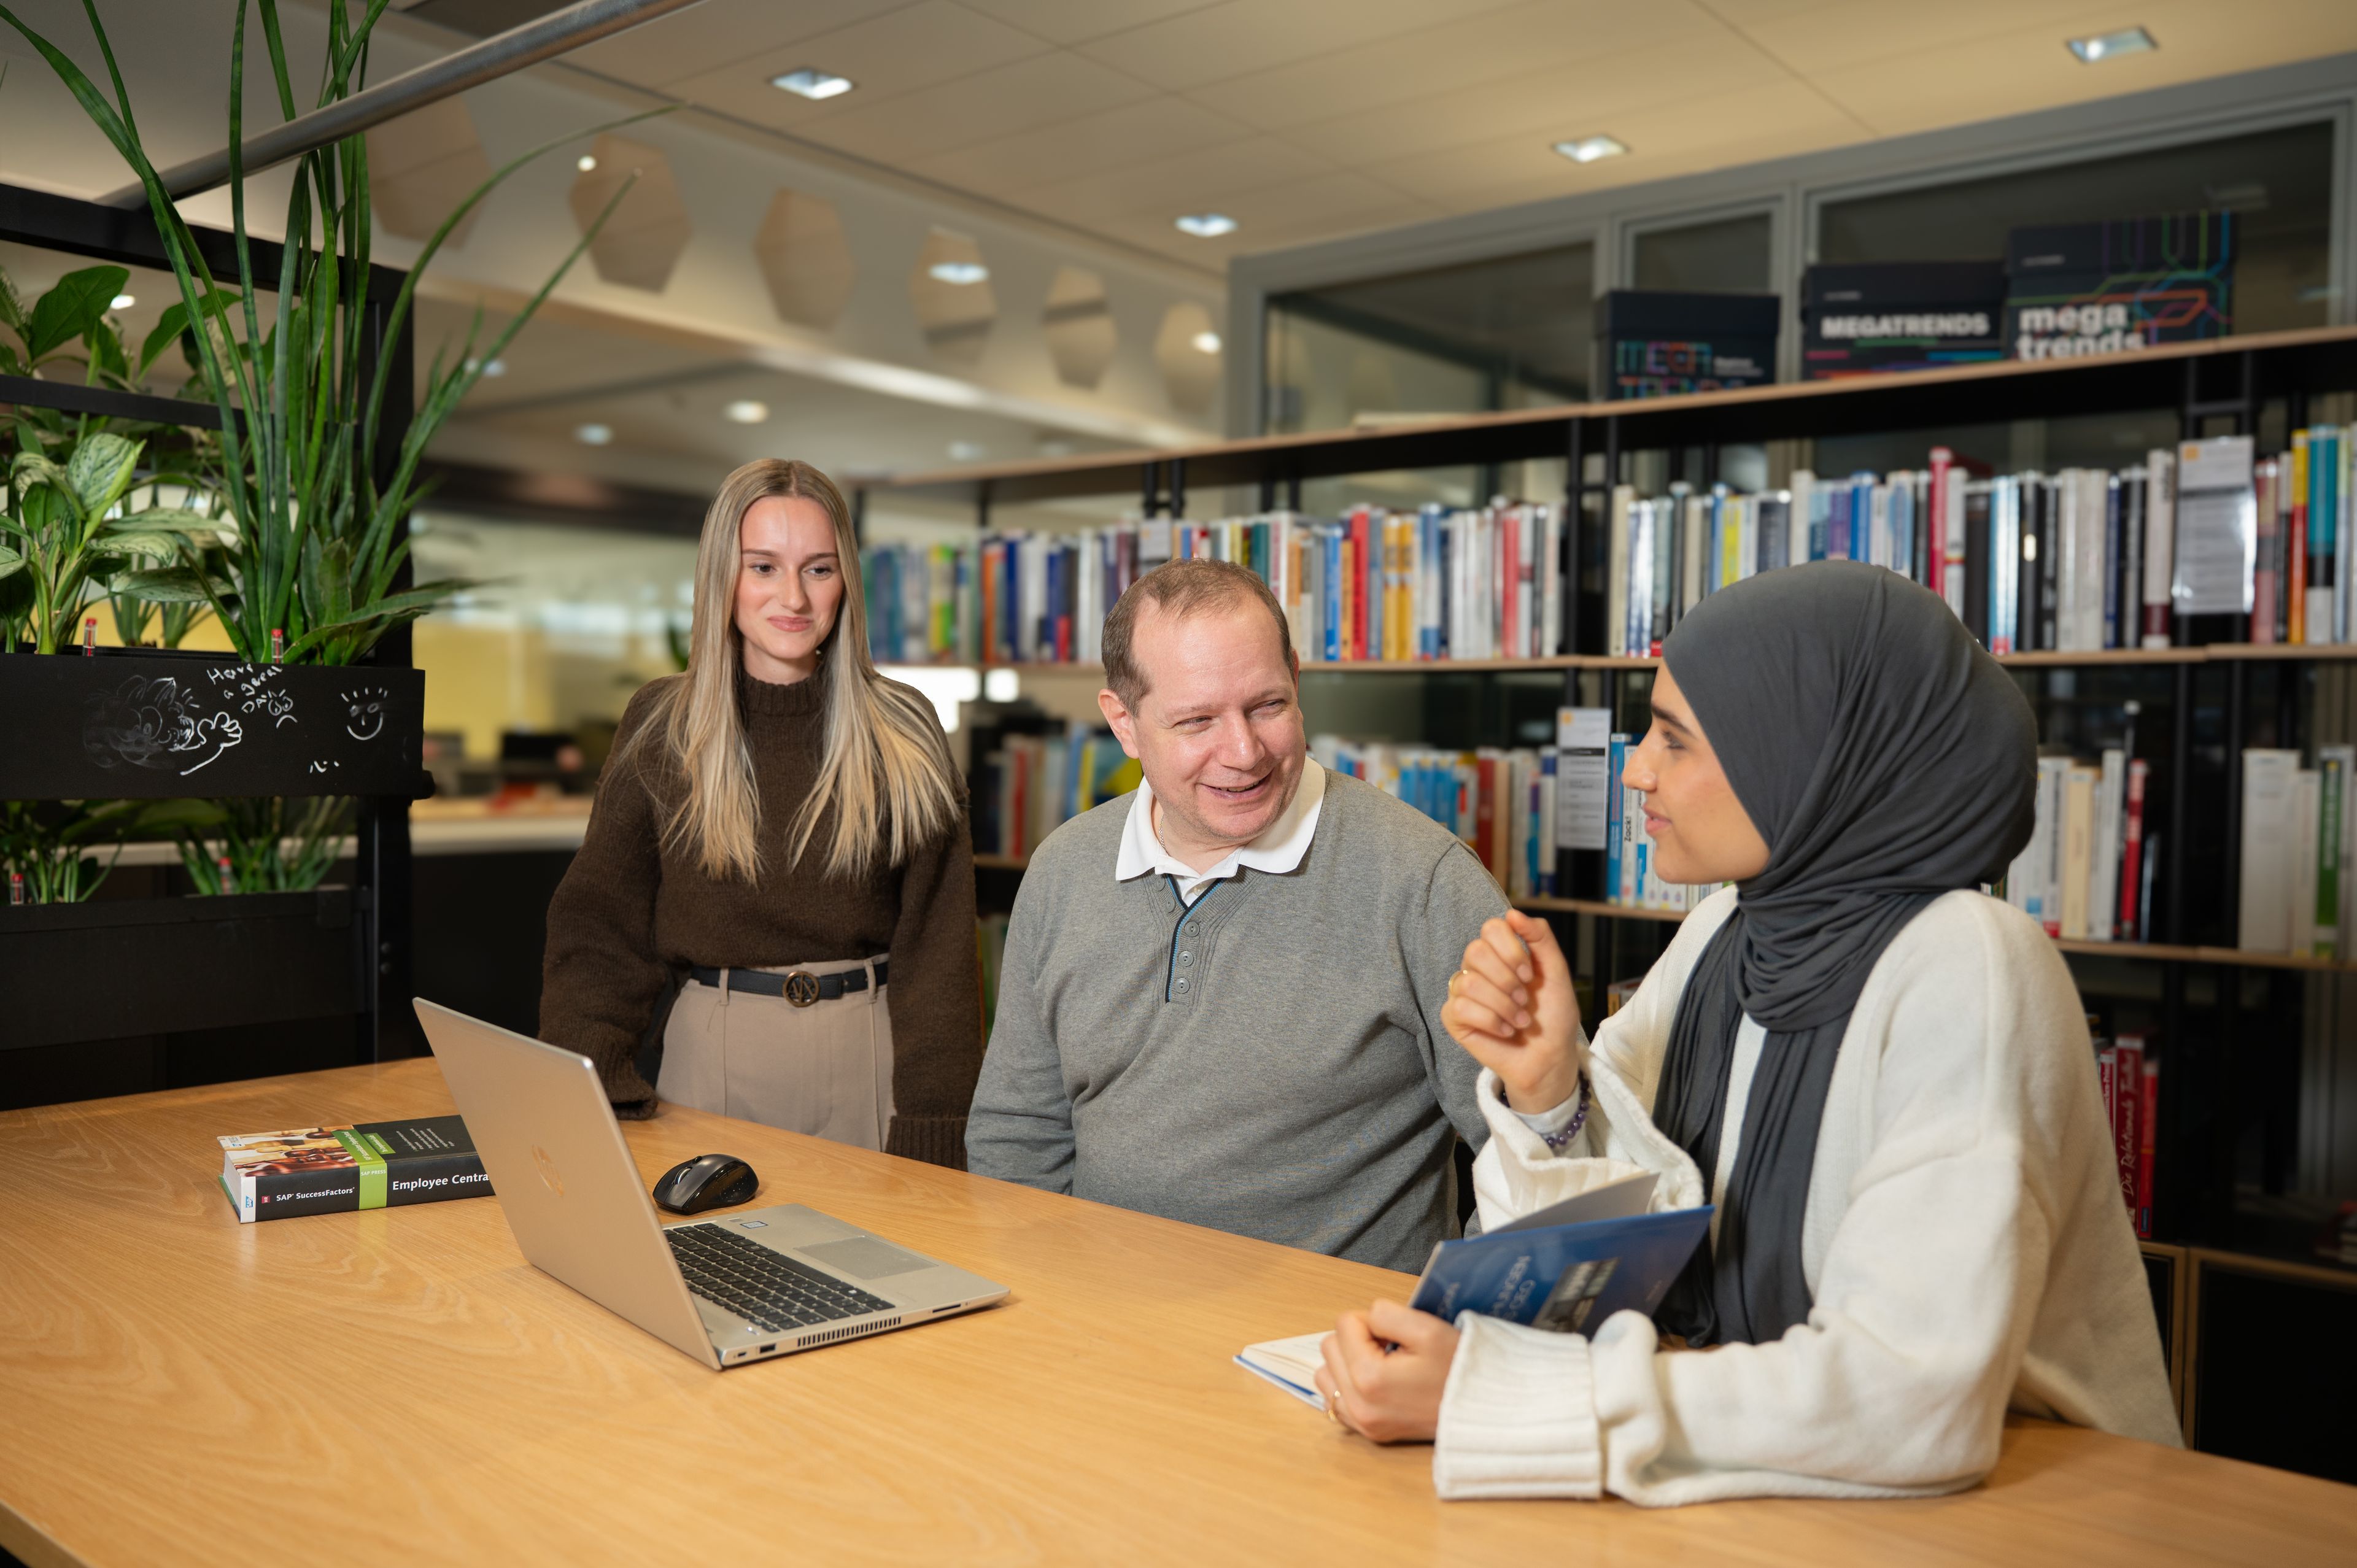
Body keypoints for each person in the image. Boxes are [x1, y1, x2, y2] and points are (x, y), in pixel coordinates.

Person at [1310, 560, 2181, 1503]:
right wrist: (1549, 1084)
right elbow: (1595, 1266)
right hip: (1788, 1480)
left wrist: (1513, 1398)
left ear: (1805, 758)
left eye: (1674, 739)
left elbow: (1911, 1396)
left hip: (2031, 1508)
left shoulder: (1969, 964)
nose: (1635, 767)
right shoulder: (1728, 931)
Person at [965, 559, 1504, 1270]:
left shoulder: (1426, 882)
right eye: (1197, 720)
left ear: (1298, 683)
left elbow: (1535, 1154)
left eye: (1268, 706)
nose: (1245, 753)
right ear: (1124, 723)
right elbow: (1019, 1133)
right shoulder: (1065, 867)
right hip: (1097, 1328)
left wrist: (1450, 1328)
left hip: (1327, 1353)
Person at [539, 458, 981, 1167]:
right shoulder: (661, 723)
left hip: (869, 1062)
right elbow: (601, 926)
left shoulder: (905, 726)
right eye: (764, 567)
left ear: (847, 584)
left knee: (876, 1274)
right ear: (725, 577)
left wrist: (935, 1122)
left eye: (819, 569)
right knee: (707, 1273)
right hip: (711, 1056)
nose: (795, 598)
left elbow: (941, 948)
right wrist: (591, 1084)